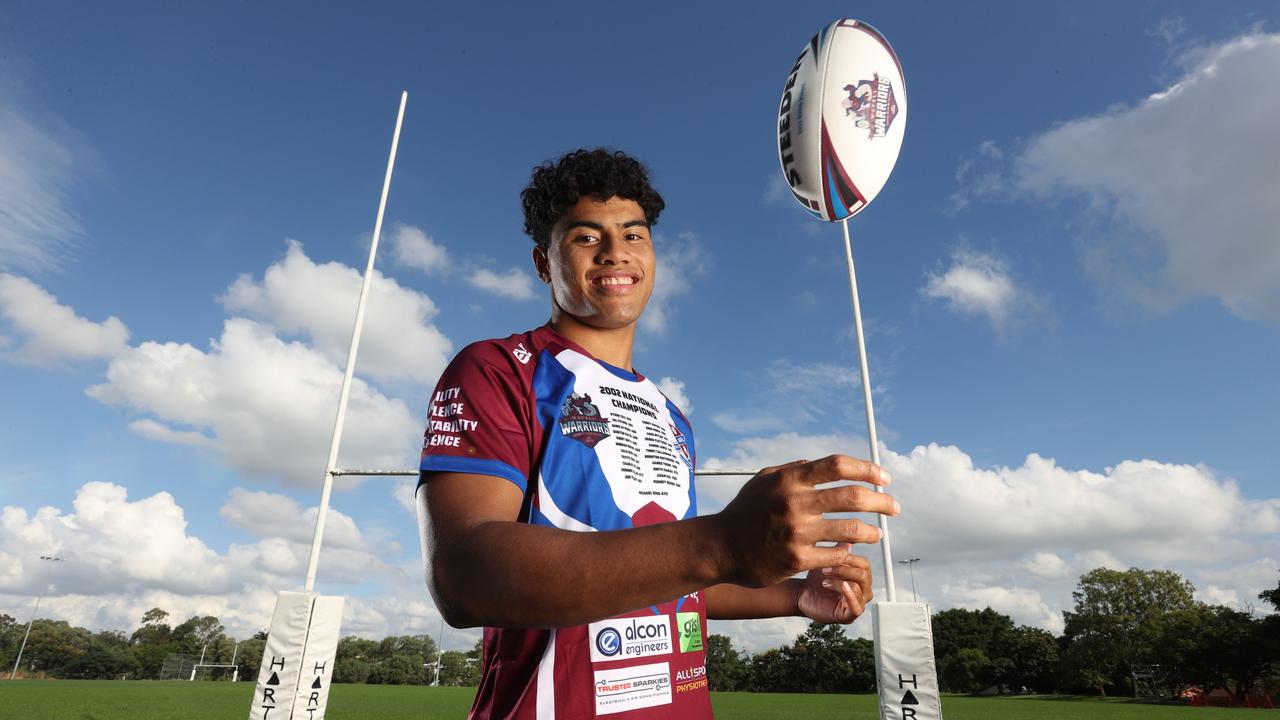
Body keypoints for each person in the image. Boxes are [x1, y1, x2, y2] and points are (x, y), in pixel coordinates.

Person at [416, 148, 898, 719]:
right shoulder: (496, 368)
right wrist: (721, 541)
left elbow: (677, 577)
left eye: (633, 235)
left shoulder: (672, 415)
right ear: (544, 263)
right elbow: (461, 574)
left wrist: (794, 595)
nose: (615, 252)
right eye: (586, 237)